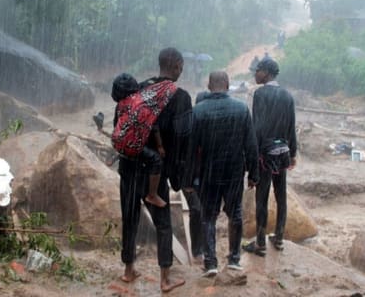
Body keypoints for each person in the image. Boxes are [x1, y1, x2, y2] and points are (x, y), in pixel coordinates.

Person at [118, 47, 190, 293]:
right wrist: (180, 176)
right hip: (154, 173)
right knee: (163, 224)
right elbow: (182, 139)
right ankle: (164, 279)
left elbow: (125, 119)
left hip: (129, 164)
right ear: (177, 65)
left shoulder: (140, 87)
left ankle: (128, 271)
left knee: (129, 219)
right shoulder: (180, 96)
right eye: (181, 66)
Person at [190, 71, 259, 276]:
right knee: (235, 213)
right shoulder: (241, 109)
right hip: (234, 172)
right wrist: (254, 174)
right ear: (228, 85)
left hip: (207, 173)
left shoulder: (198, 111)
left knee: (208, 217)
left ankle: (210, 263)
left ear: (209, 86)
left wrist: (188, 178)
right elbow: (251, 145)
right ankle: (234, 260)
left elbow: (191, 150)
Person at [243, 58, 297, 256]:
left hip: (265, 154)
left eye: (257, 70)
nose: (255, 74)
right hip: (282, 152)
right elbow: (291, 127)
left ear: (266, 72)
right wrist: (293, 153)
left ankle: (260, 242)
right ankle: (279, 238)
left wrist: (252, 158)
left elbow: (257, 128)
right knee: (281, 196)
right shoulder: (288, 96)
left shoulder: (260, 94)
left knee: (262, 198)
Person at [95, 73, 167, 208]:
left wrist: (115, 156)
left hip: (126, 165)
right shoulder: (141, 104)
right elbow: (153, 126)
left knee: (129, 216)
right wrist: (160, 145)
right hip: (142, 165)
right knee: (156, 160)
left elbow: (120, 135)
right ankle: (153, 195)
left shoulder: (120, 106)